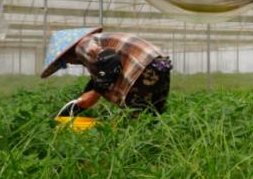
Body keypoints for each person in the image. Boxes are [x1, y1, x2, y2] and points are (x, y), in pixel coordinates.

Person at [40, 27, 173, 115]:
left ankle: (136, 155)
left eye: (65, 62)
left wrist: (96, 93)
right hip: (159, 64)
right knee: (154, 114)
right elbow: (98, 78)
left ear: (68, 53)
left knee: (137, 116)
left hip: (142, 68)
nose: (70, 63)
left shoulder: (81, 46)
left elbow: (111, 61)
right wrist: (78, 106)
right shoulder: (97, 41)